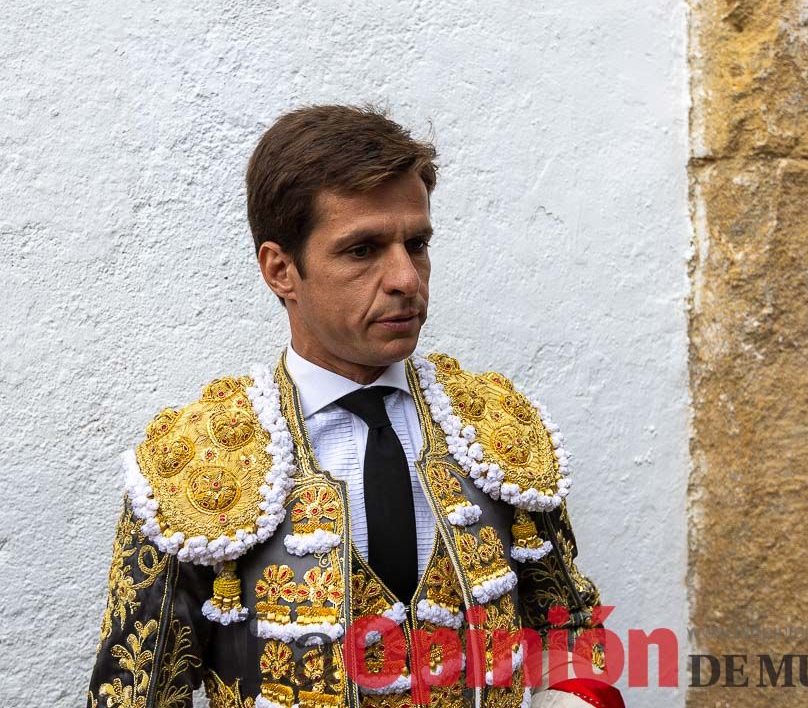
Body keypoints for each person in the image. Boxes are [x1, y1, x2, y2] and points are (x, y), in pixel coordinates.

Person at [87, 105, 620, 708]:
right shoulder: (192, 462)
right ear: (281, 269)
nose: (405, 279)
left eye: (415, 244)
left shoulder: (495, 426)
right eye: (363, 250)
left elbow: (569, 631)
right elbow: (139, 695)